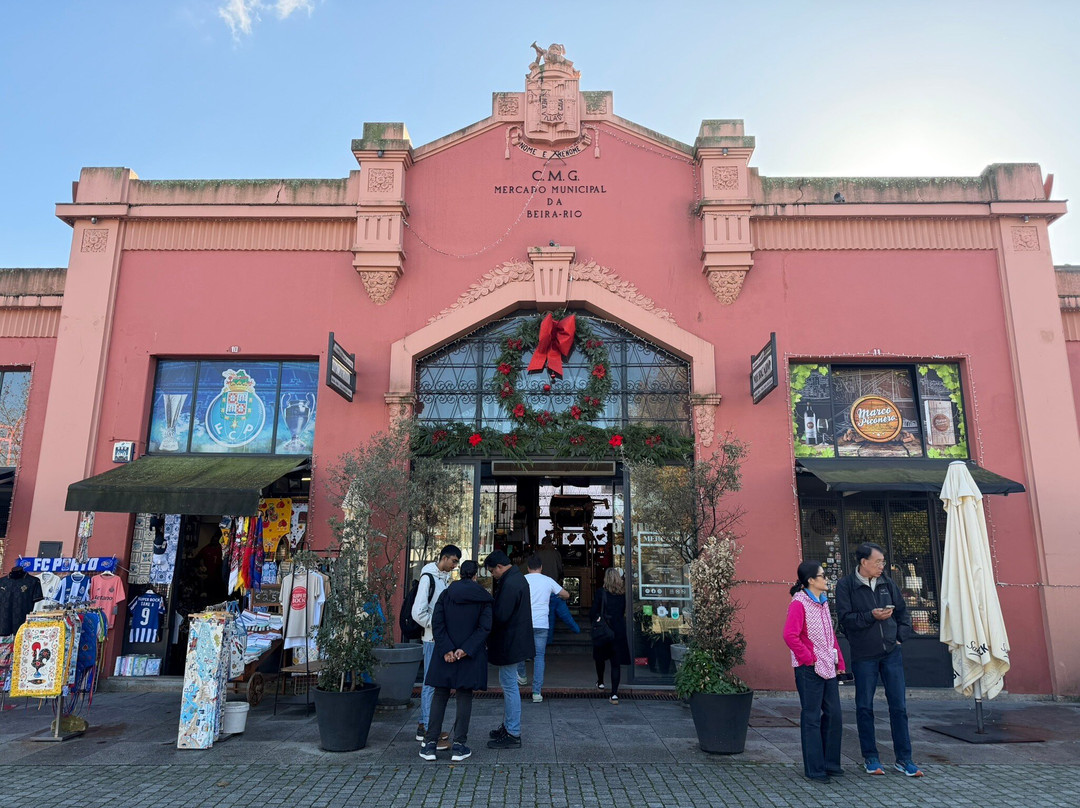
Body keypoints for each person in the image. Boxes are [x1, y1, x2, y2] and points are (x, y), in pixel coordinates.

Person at [835, 542, 924, 777]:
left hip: (891, 653)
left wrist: (900, 639)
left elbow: (904, 613)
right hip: (864, 655)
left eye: (882, 562)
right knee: (864, 706)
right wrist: (870, 616)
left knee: (899, 707)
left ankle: (904, 759)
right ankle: (871, 758)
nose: (882, 566)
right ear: (863, 562)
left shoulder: (888, 583)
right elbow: (845, 620)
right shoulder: (846, 586)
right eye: (878, 562)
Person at [419, 560, 493, 762]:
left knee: (440, 695)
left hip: (445, 653)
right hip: (469, 655)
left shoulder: (446, 594)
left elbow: (437, 623)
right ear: (475, 575)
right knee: (464, 696)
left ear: (460, 574)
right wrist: (465, 649)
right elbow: (484, 628)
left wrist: (447, 649)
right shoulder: (484, 598)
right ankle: (459, 746)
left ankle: (430, 744)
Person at [783, 561, 846, 783]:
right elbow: (790, 635)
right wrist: (809, 659)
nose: (826, 578)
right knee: (811, 718)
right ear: (811, 580)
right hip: (808, 669)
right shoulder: (799, 603)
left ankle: (831, 764)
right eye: (822, 575)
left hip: (828, 666)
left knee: (834, 715)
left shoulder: (823, 602)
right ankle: (815, 769)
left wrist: (840, 661)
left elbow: (830, 635)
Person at [411, 544, 461, 749]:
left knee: (435, 683)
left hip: (439, 638)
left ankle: (430, 725)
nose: (455, 565)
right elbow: (418, 612)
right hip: (432, 638)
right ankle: (425, 726)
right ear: (444, 558)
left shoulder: (443, 578)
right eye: (454, 561)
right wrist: (436, 625)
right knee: (431, 684)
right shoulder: (428, 578)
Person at [483, 550, 533, 749]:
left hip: (510, 642)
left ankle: (513, 732)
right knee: (509, 684)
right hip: (515, 641)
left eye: (492, 571)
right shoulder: (516, 579)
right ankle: (509, 726)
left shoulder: (511, 583)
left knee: (510, 686)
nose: (492, 575)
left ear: (499, 567)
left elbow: (502, 615)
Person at [518, 554, 570, 703]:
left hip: (525, 623)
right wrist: (558, 597)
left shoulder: (523, 580)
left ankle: (521, 676)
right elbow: (566, 594)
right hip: (542, 624)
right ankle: (536, 692)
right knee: (539, 657)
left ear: (528, 567)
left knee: (521, 652)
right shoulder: (548, 581)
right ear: (541, 567)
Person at [591, 567, 631, 703]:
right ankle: (614, 694)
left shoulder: (601, 593)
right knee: (616, 664)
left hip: (604, 630)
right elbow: (623, 612)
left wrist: (595, 619)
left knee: (600, 657)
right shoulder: (623, 595)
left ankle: (601, 682)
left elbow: (594, 611)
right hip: (618, 631)